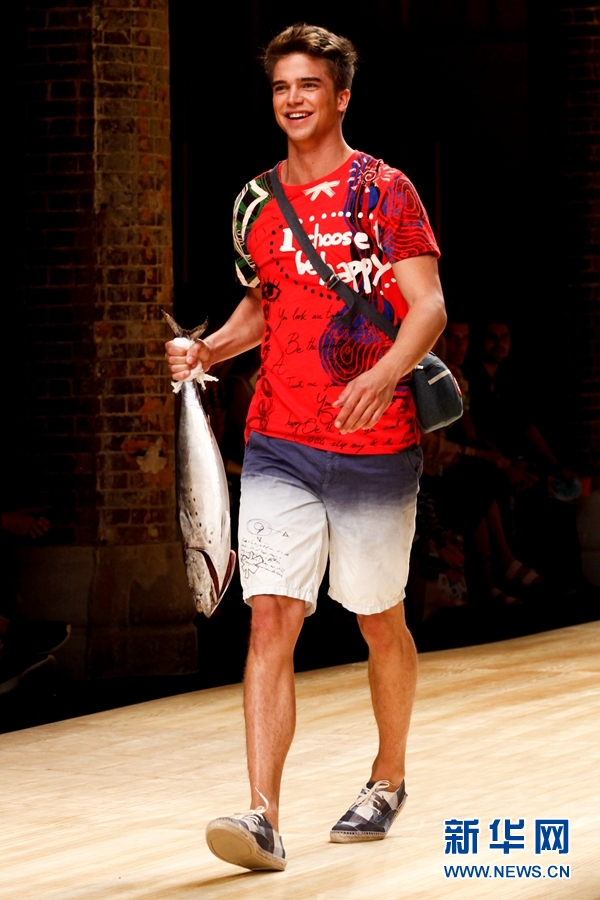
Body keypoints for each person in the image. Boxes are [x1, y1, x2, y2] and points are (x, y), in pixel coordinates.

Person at [166, 23, 446, 872]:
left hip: (374, 442)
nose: (293, 99)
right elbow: (265, 306)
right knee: (271, 616)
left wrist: (385, 375)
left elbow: (428, 306)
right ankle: (262, 815)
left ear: (342, 96)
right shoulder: (255, 201)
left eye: (309, 86)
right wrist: (207, 350)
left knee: (377, 618)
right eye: (282, 86)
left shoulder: (386, 190)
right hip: (279, 439)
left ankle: (388, 777)